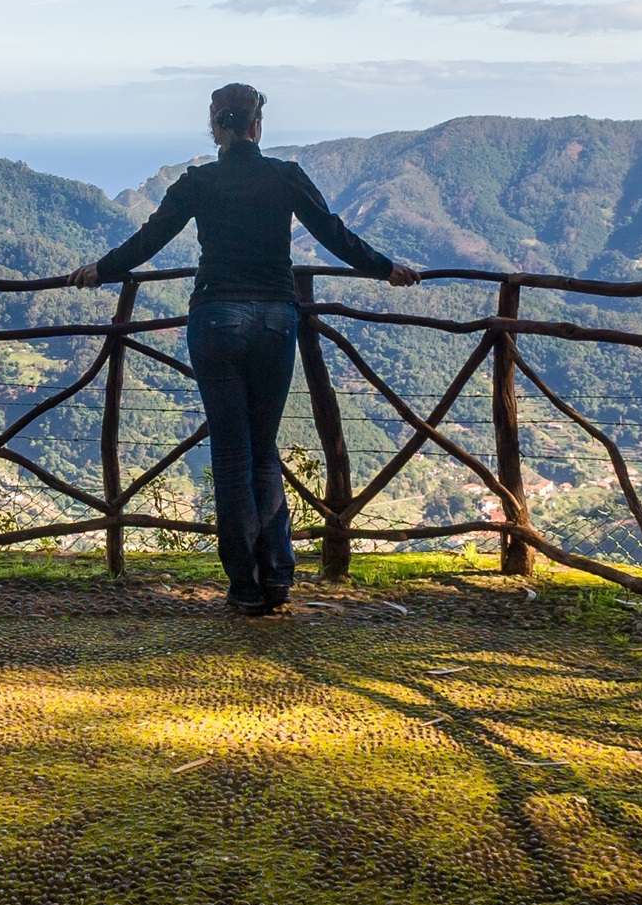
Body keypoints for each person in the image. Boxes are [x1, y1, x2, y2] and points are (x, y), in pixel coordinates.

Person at [71, 83, 419, 615]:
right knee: (264, 449)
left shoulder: (197, 183)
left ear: (215, 126)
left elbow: (149, 239)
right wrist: (385, 269)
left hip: (216, 318)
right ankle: (277, 576)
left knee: (233, 456)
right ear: (258, 125)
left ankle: (245, 586)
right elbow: (334, 234)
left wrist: (102, 270)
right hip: (277, 318)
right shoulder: (285, 176)